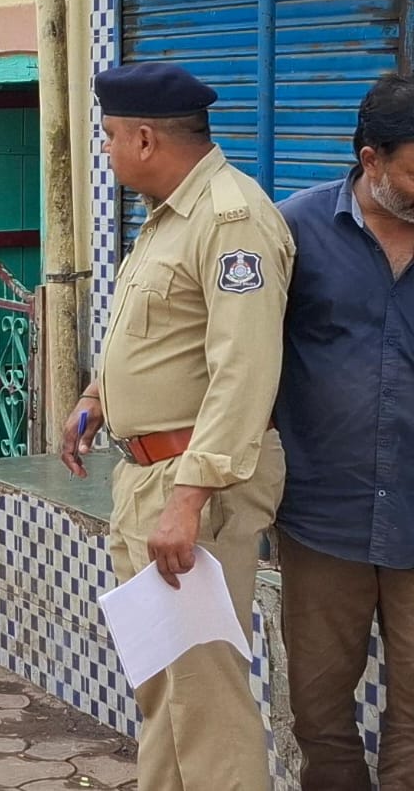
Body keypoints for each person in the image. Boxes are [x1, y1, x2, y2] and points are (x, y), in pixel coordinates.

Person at [61, 62, 293, 791]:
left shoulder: (231, 220)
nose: (106, 151)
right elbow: (163, 338)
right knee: (164, 689)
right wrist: (97, 398)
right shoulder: (169, 217)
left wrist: (189, 498)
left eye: (109, 137)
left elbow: (242, 371)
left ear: (144, 138)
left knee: (207, 700)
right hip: (150, 477)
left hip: (197, 485)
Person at [274, 73, 414, 790]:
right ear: (370, 159)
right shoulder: (291, 232)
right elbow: (225, 347)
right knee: (320, 713)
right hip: (323, 517)